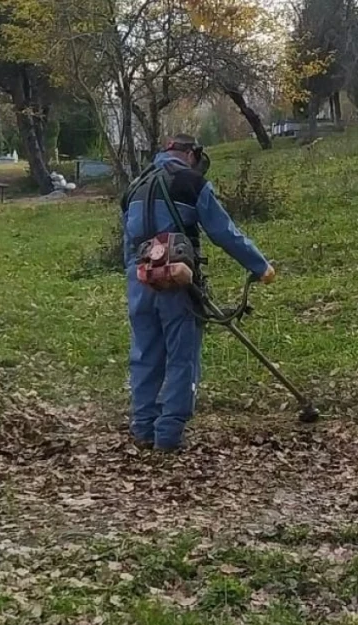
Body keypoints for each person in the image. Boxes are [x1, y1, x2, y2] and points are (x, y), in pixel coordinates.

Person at [121, 134, 275, 452]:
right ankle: (168, 436)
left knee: (145, 356)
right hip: (177, 285)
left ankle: (143, 429)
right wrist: (260, 266)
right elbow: (224, 232)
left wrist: (136, 280)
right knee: (182, 358)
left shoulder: (135, 186)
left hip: (138, 281)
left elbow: (128, 246)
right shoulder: (191, 183)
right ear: (191, 155)